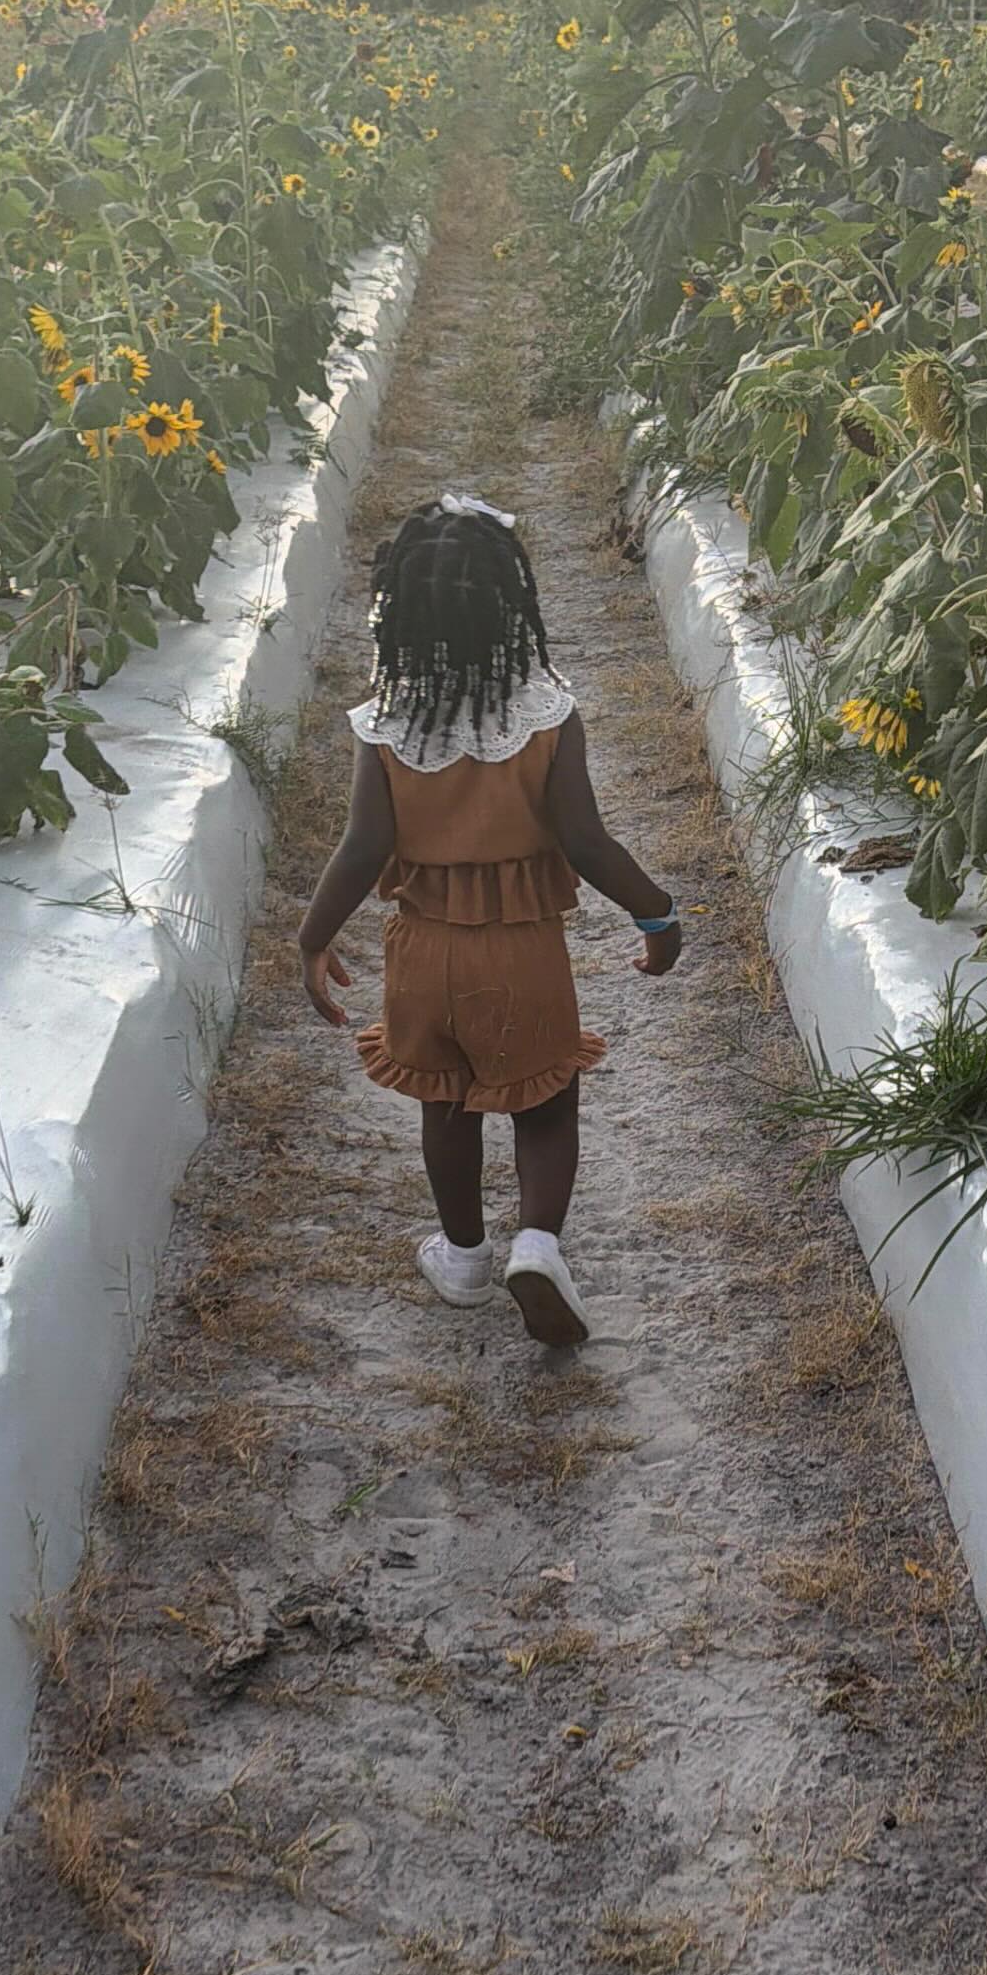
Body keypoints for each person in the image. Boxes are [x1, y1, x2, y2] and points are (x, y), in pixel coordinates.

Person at [298, 490, 681, 1347]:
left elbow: (362, 848)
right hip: (523, 957)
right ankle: (537, 1244)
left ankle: (465, 1254)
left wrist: (313, 937)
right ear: (513, 606)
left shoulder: (387, 721)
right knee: (545, 1103)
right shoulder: (546, 711)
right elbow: (586, 840)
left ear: (398, 612)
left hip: (421, 956)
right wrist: (657, 916)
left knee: (446, 1103)